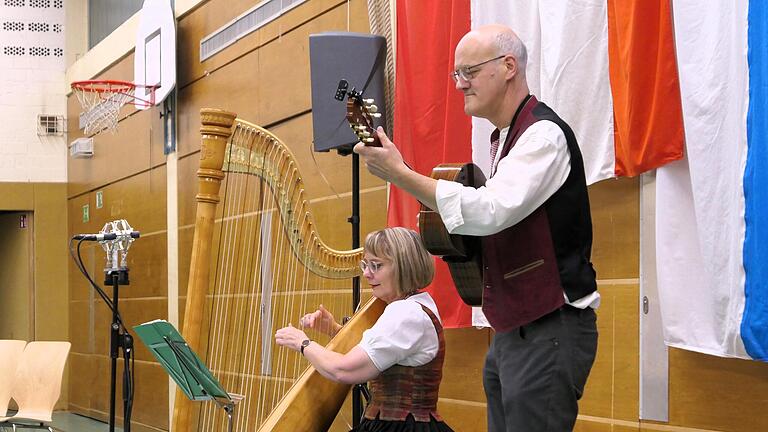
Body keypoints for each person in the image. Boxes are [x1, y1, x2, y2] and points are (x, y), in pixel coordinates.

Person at [353, 24, 599, 431]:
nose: (459, 84)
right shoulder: (505, 139)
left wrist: (400, 176)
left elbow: (489, 211)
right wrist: (405, 172)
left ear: (507, 67)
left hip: (549, 326)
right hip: (514, 330)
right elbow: (483, 218)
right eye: (455, 74)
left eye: (469, 71)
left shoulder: (542, 135)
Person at [275, 227, 454, 432]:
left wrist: (303, 343)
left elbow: (344, 369)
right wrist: (333, 330)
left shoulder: (406, 314)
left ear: (405, 267)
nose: (367, 274)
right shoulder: (415, 305)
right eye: (365, 264)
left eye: (376, 266)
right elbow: (384, 353)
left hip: (401, 426)